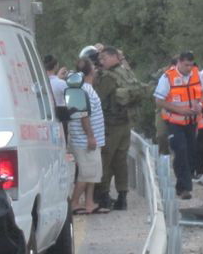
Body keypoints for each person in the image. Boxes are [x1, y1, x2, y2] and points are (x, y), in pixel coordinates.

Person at [94, 46, 146, 211]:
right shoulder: (126, 72)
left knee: (106, 160)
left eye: (103, 58)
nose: (101, 62)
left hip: (111, 124)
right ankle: (122, 196)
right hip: (125, 122)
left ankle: (103, 195)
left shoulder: (108, 77)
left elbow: (98, 99)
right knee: (121, 161)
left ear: (112, 57)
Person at [153, 51, 203, 199]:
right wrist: (180, 110)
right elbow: (159, 100)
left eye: (191, 65)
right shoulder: (167, 77)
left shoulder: (196, 74)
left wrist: (199, 104)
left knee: (190, 152)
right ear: (179, 63)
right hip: (174, 121)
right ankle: (185, 188)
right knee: (180, 150)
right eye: (186, 65)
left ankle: (181, 184)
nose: (189, 68)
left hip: (191, 121)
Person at [67, 59, 106, 215]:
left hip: (86, 138)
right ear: (91, 71)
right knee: (86, 173)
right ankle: (74, 202)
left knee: (93, 172)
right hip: (85, 140)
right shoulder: (86, 91)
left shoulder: (80, 88)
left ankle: (89, 202)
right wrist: (90, 136)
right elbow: (84, 116)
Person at [44, 54, 70, 144]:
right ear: (56, 66)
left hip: (45, 119)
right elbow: (69, 100)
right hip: (60, 119)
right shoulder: (61, 83)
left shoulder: (40, 83)